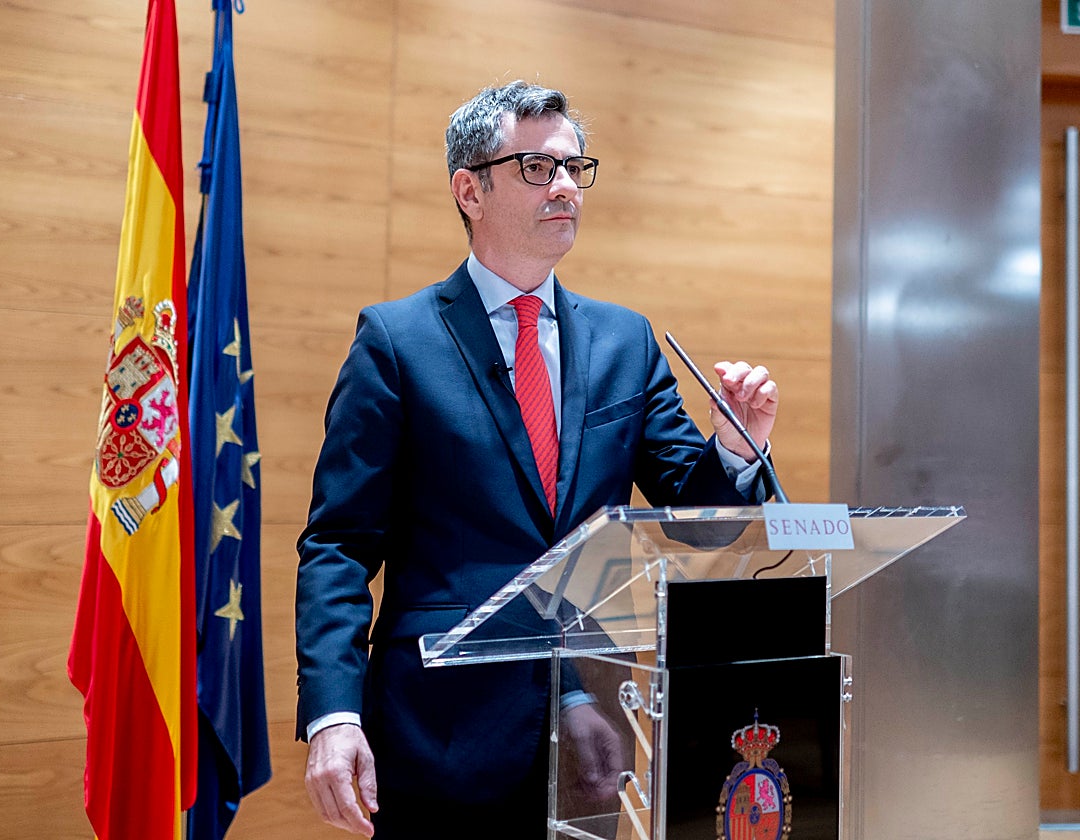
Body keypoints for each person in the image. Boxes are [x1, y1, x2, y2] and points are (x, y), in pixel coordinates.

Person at [295, 80, 779, 839]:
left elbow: (698, 519)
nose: (564, 186)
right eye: (535, 167)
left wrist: (736, 445)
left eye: (573, 168)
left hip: (594, 732)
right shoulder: (397, 342)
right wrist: (332, 713)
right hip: (439, 737)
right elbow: (338, 545)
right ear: (470, 189)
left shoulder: (627, 340)